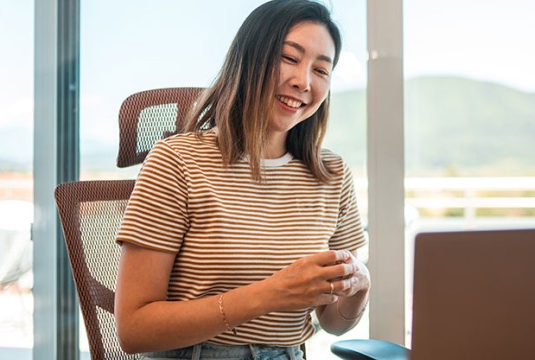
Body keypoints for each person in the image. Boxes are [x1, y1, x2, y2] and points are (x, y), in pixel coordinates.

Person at [114, 1, 370, 358]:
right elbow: (134, 329)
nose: (303, 81)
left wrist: (359, 287)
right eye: (289, 58)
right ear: (249, 59)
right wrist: (272, 293)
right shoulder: (177, 161)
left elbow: (333, 322)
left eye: (321, 70)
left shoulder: (332, 174)